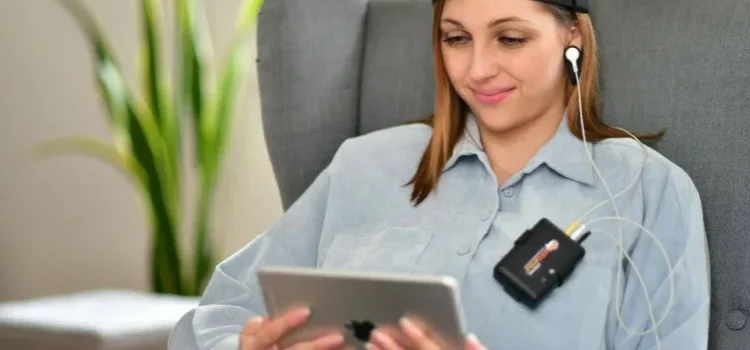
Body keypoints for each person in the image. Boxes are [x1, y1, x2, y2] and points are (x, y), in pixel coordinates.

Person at [168, 0, 711, 349]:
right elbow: (209, 320)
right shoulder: (364, 164)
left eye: (510, 39)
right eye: (456, 38)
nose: (476, 70)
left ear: (573, 35)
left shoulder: (647, 192)